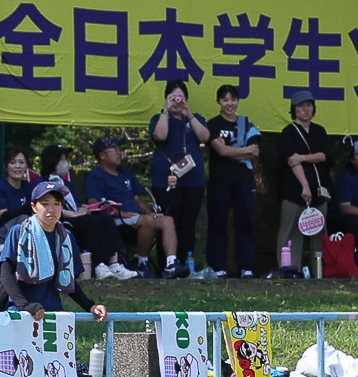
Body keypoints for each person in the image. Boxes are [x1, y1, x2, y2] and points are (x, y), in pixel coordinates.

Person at [0, 176, 109, 325]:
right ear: (33, 207)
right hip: (20, 314)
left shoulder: (66, 237)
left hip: (54, 315)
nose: (51, 209)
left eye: (57, 204)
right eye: (45, 204)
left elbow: (68, 280)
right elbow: (5, 274)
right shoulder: (18, 232)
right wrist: (24, 306)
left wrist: (91, 306)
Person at [148, 81, 212, 277]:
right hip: (166, 181)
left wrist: (189, 114)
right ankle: (167, 264)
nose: (177, 102)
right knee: (168, 221)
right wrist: (166, 110)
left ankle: (186, 263)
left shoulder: (195, 118)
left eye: (180, 98)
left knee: (188, 223)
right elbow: (160, 136)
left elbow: (205, 137)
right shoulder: (158, 118)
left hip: (193, 181)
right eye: (173, 98)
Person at [77, 136, 159, 278]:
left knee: (167, 221)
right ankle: (142, 263)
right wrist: (121, 213)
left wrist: (149, 213)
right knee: (147, 221)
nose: (119, 153)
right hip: (116, 220)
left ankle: (171, 264)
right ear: (102, 155)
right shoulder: (95, 176)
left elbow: (137, 199)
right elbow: (94, 204)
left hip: (136, 217)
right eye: (114, 150)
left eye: (119, 149)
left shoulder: (126, 173)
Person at [203, 84, 261, 278]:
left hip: (244, 181)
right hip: (220, 180)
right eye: (225, 99)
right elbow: (221, 151)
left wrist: (231, 151)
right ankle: (218, 267)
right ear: (218, 102)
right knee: (218, 223)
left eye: (233, 99)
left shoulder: (247, 124)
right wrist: (242, 151)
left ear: (238, 101)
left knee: (245, 223)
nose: (230, 103)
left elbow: (255, 152)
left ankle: (246, 267)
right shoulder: (213, 124)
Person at [276, 91, 332, 277]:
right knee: (290, 231)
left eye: (309, 105)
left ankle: (320, 273)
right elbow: (292, 160)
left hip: (319, 191)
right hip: (293, 191)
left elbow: (324, 155)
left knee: (319, 232)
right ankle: (290, 271)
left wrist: (303, 157)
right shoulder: (288, 132)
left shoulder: (319, 131)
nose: (305, 109)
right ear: (294, 109)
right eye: (301, 106)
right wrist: (304, 186)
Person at [0, 147, 35, 240]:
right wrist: (29, 207)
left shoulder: (28, 187)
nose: (17, 166)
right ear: (5, 166)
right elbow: (4, 217)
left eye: (21, 162)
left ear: (26, 166)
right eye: (12, 162)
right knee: (23, 219)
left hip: (16, 232)